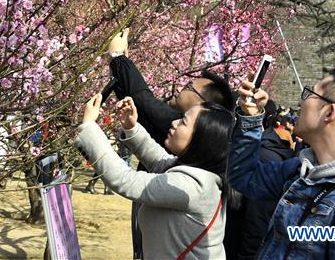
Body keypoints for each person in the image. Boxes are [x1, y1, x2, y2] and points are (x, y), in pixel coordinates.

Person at [229, 68, 335, 259]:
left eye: (310, 93)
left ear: (330, 113)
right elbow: (244, 177)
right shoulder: (301, 170)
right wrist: (251, 117)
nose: (301, 102)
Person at [106, 28, 236, 258]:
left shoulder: (192, 171)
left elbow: (144, 100)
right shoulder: (191, 152)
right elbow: (157, 155)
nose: (181, 87)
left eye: (189, 88)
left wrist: (118, 57)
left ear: (204, 105)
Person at [75, 93, 234, 259]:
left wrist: (88, 126)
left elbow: (124, 180)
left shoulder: (191, 186)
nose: (174, 123)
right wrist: (131, 127)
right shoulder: (201, 175)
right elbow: (160, 160)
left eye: (183, 122)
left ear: (201, 140)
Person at [236, 110, 296, 260]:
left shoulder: (287, 159)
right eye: (287, 129)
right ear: (277, 126)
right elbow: (257, 216)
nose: (291, 135)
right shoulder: (269, 157)